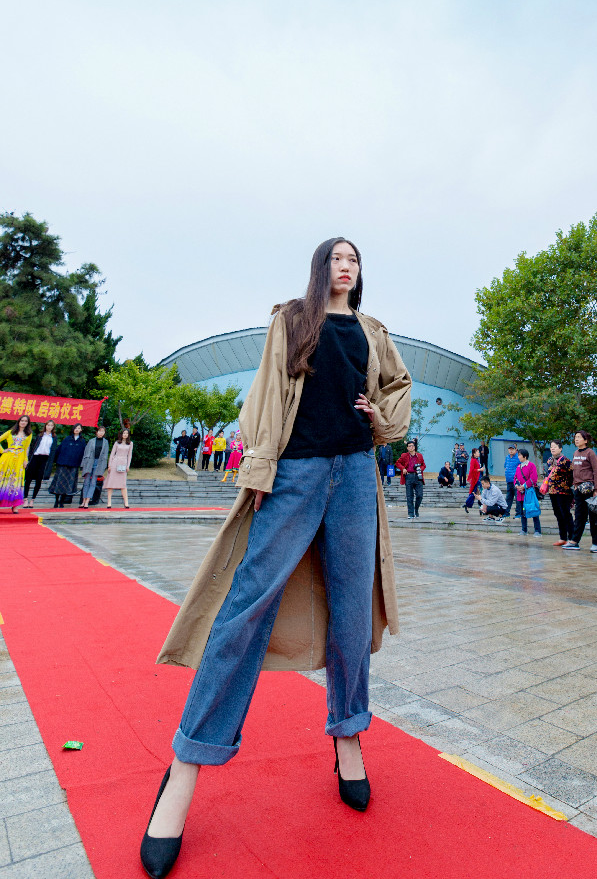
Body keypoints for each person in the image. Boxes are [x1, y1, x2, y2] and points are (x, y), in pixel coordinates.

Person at [140, 237, 411, 878]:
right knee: (245, 609)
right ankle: (186, 765)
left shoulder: (373, 331)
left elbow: (399, 388)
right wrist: (260, 466)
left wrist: (380, 417)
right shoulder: (292, 318)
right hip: (295, 474)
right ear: (321, 268)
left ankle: (348, 736)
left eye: (355, 260)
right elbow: (265, 395)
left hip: (354, 476)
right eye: (337, 258)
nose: (347, 266)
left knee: (352, 612)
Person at [563, 430, 597, 552]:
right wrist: (575, 485)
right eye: (575, 437)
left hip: (589, 489)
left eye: (579, 437)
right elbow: (575, 471)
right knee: (579, 516)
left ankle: (595, 544)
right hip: (578, 490)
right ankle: (575, 541)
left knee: (594, 517)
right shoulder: (575, 453)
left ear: (585, 440)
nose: (576, 439)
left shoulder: (590, 453)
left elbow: (596, 471)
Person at [0, 415, 33, 513]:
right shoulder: (10, 432)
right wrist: (2, 450)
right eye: (22, 420)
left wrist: (25, 460)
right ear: (18, 421)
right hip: (7, 459)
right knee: (3, 480)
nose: (23, 422)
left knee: (16, 481)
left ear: (27, 423)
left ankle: (15, 506)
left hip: (19, 460)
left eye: (25, 421)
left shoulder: (29, 434)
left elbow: (26, 448)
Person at [49, 423, 86, 508]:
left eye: (79, 428)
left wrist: (82, 465)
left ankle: (62, 501)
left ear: (81, 430)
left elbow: (83, 454)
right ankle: (56, 500)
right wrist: (56, 461)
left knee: (68, 484)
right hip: (63, 464)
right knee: (59, 483)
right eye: (75, 428)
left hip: (74, 465)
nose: (77, 429)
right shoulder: (67, 439)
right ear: (73, 429)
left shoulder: (82, 441)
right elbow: (60, 450)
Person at [23, 420, 57, 508]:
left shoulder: (53, 437)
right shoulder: (40, 435)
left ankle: (32, 500)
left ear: (53, 427)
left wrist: (50, 463)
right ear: (45, 426)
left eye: (51, 425)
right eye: (48, 425)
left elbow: (53, 451)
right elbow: (33, 447)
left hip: (44, 459)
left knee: (39, 480)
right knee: (28, 479)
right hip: (35, 457)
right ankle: (25, 499)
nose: (49, 427)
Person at [545, 440, 573, 545]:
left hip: (563, 491)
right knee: (558, 514)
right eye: (551, 447)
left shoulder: (565, 460)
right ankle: (563, 537)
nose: (552, 448)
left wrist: (566, 485)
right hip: (552, 491)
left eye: (555, 447)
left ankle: (572, 538)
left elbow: (571, 475)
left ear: (560, 448)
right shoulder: (549, 460)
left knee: (566, 514)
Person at [79, 427, 109, 509]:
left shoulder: (105, 442)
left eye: (103, 431)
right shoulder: (91, 441)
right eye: (100, 431)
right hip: (89, 462)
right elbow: (86, 453)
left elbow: (105, 455)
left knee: (93, 482)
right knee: (86, 482)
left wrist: (104, 466)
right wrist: (83, 464)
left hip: (98, 463)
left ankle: (87, 501)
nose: (101, 433)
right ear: (97, 432)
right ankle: (83, 500)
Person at [104, 428, 133, 510]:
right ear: (121, 434)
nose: (125, 435)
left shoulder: (130, 443)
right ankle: (109, 502)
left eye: (127, 433)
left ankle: (126, 502)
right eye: (124, 433)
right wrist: (109, 465)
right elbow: (112, 454)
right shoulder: (117, 443)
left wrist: (128, 466)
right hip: (115, 462)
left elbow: (129, 455)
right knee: (111, 483)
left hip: (123, 463)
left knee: (123, 483)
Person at [397, 441, 425, 519]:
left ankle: (416, 509)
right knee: (409, 496)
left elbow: (423, 465)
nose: (411, 447)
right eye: (409, 446)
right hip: (408, 476)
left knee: (420, 495)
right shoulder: (404, 455)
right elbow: (398, 463)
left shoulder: (419, 455)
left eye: (412, 446)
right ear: (407, 448)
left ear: (414, 447)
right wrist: (403, 468)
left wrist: (420, 469)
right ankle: (411, 513)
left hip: (418, 476)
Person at [515, 449, 540, 535]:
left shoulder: (531, 465)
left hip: (529, 493)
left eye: (519, 455)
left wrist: (524, 486)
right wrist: (517, 486)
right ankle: (524, 529)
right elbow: (515, 478)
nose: (518, 457)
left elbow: (534, 479)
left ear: (525, 456)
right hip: (520, 494)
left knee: (533, 511)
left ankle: (537, 531)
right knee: (522, 512)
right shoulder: (518, 467)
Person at [503, 444, 520, 518]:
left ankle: (518, 513)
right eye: (509, 449)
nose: (511, 450)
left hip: (516, 481)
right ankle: (507, 512)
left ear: (516, 450)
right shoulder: (507, 457)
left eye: (512, 449)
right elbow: (505, 466)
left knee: (518, 498)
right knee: (508, 498)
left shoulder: (518, 457)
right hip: (509, 481)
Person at [463, 447, 482, 512]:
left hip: (478, 478)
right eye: (477, 452)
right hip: (475, 479)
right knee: (475, 493)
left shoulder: (477, 460)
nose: (479, 453)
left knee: (478, 493)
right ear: (474, 453)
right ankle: (480, 507)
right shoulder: (473, 460)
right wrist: (479, 469)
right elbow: (472, 470)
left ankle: (480, 507)